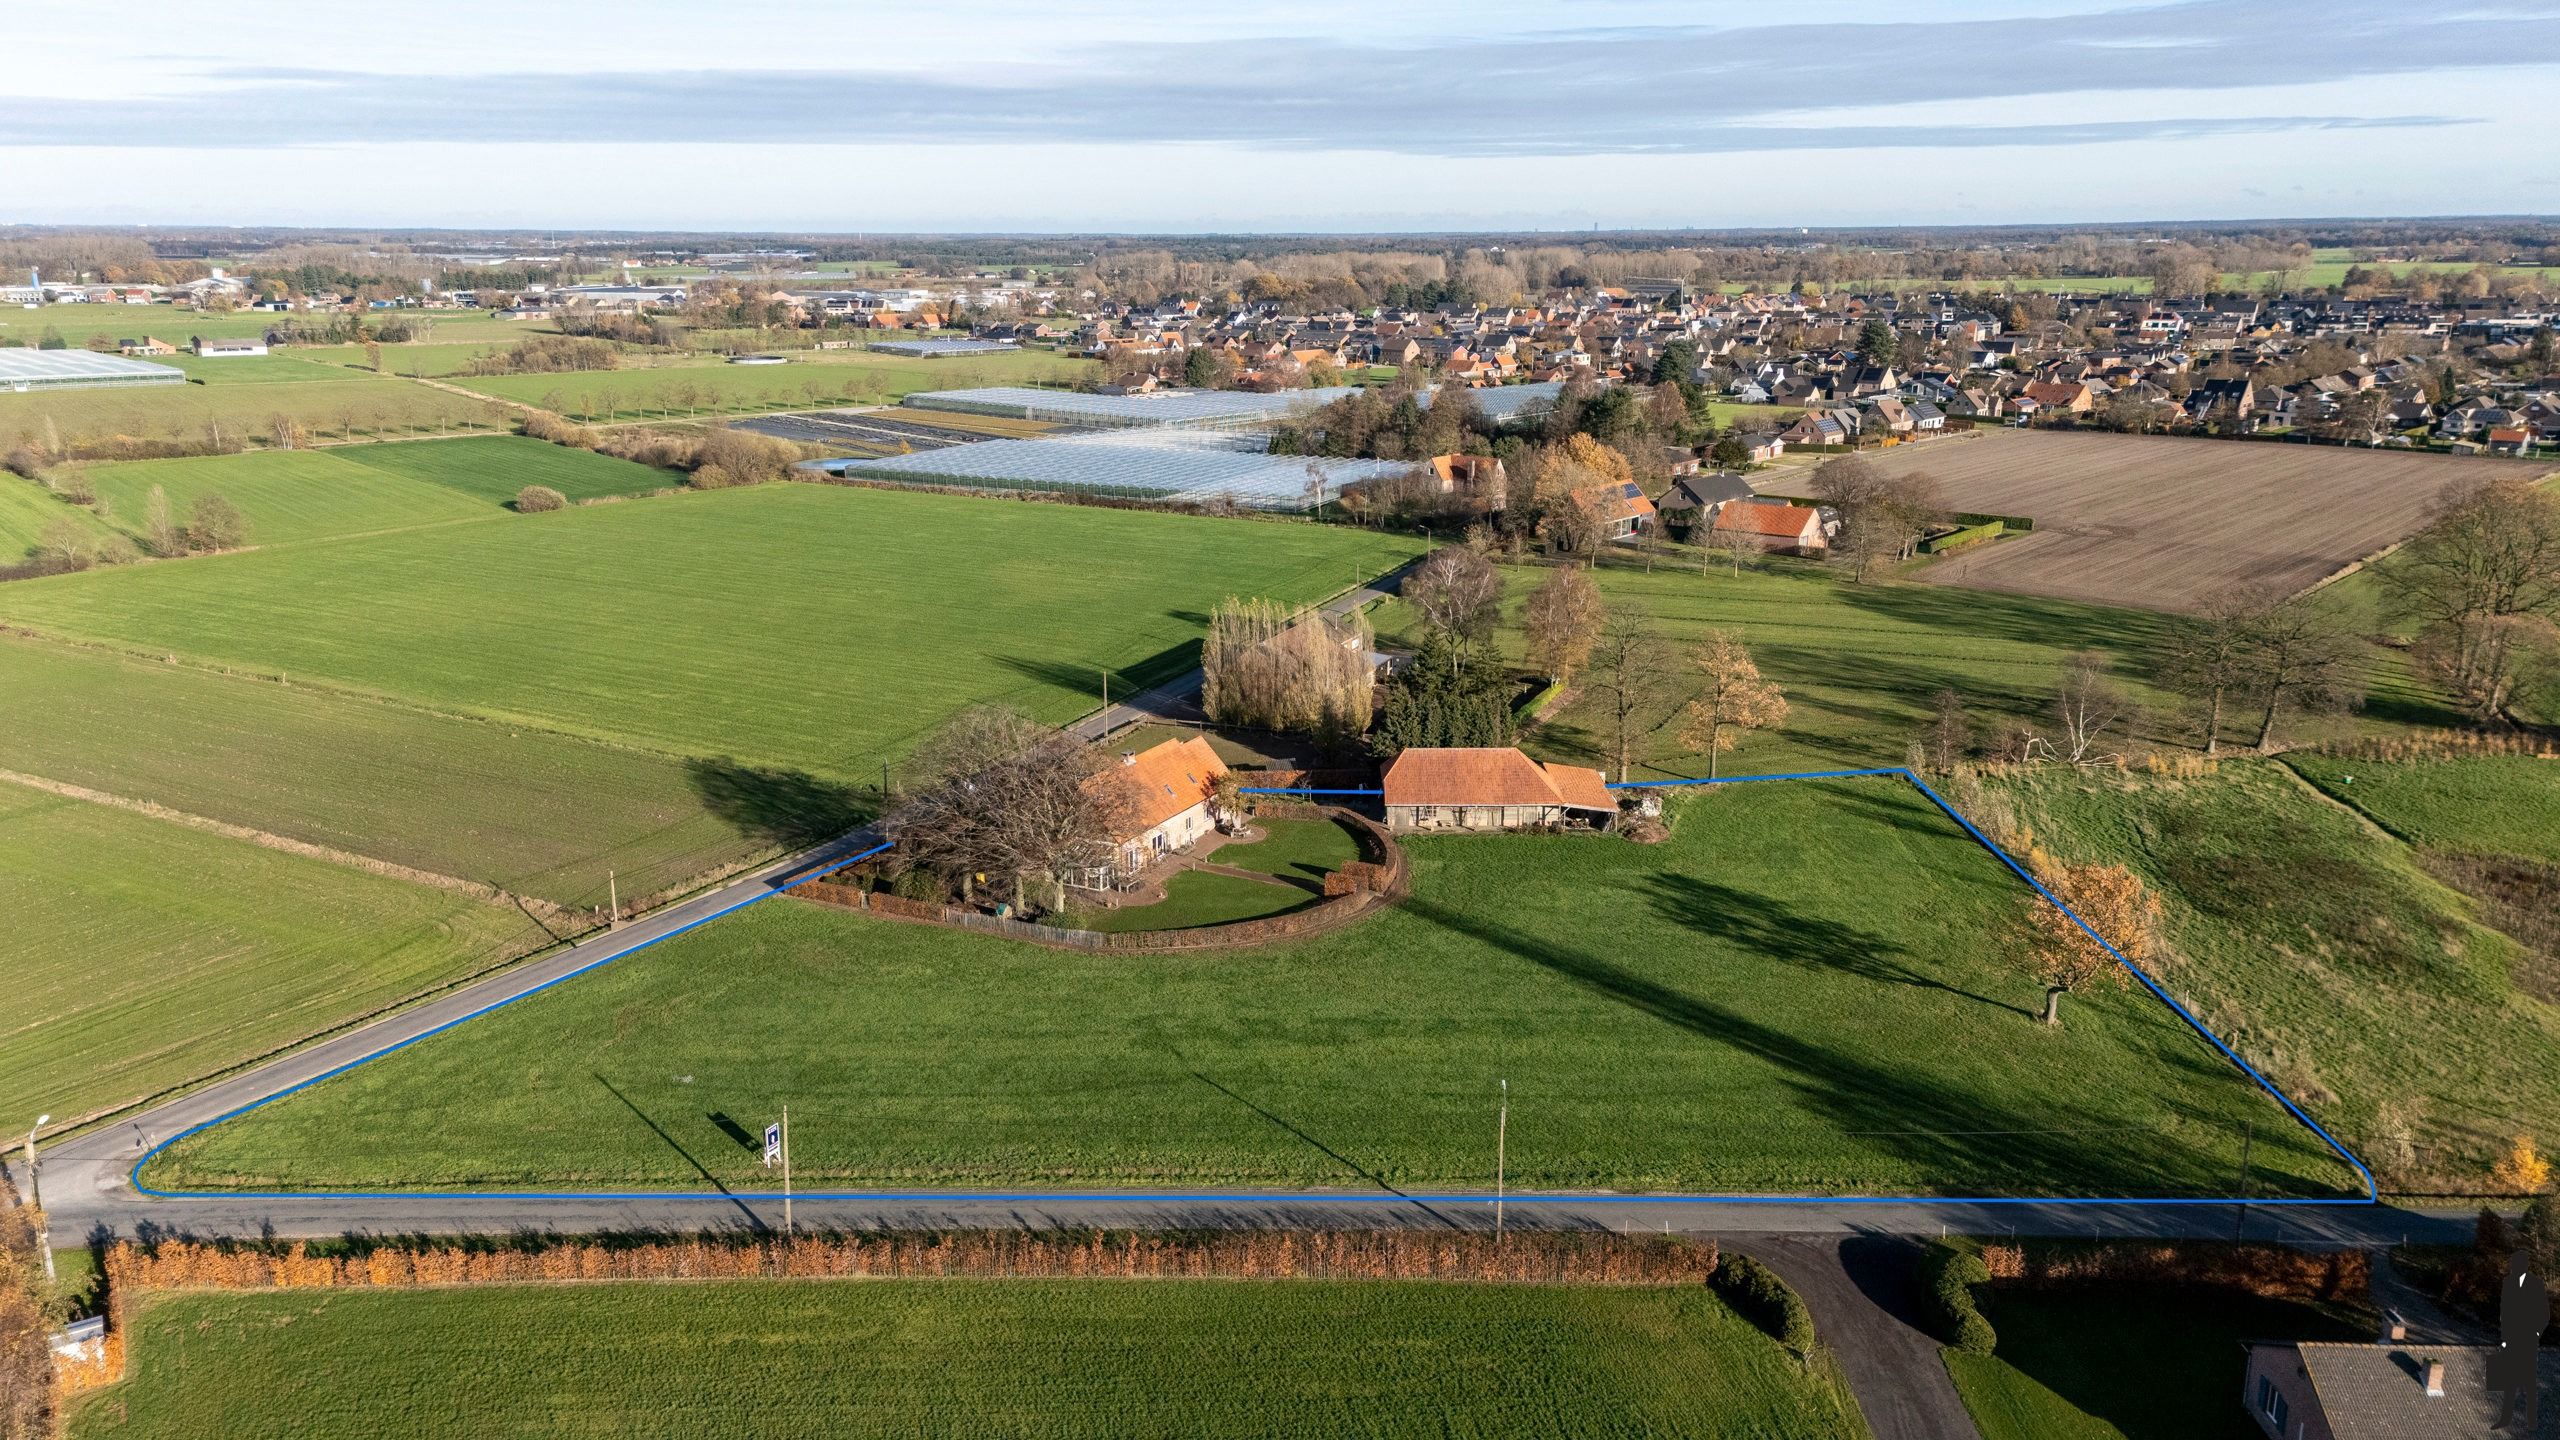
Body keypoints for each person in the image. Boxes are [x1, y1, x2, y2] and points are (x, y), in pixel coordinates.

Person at [2494, 1250, 2548, 1434]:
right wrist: (2504, 1339)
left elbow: (2544, 1313)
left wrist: (2536, 1333)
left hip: (2528, 1342)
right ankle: (2504, 1418)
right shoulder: (2508, 1283)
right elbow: (2505, 1312)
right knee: (2510, 1382)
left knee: (2529, 1383)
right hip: (2512, 1341)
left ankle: (2531, 1421)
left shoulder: (2536, 1284)